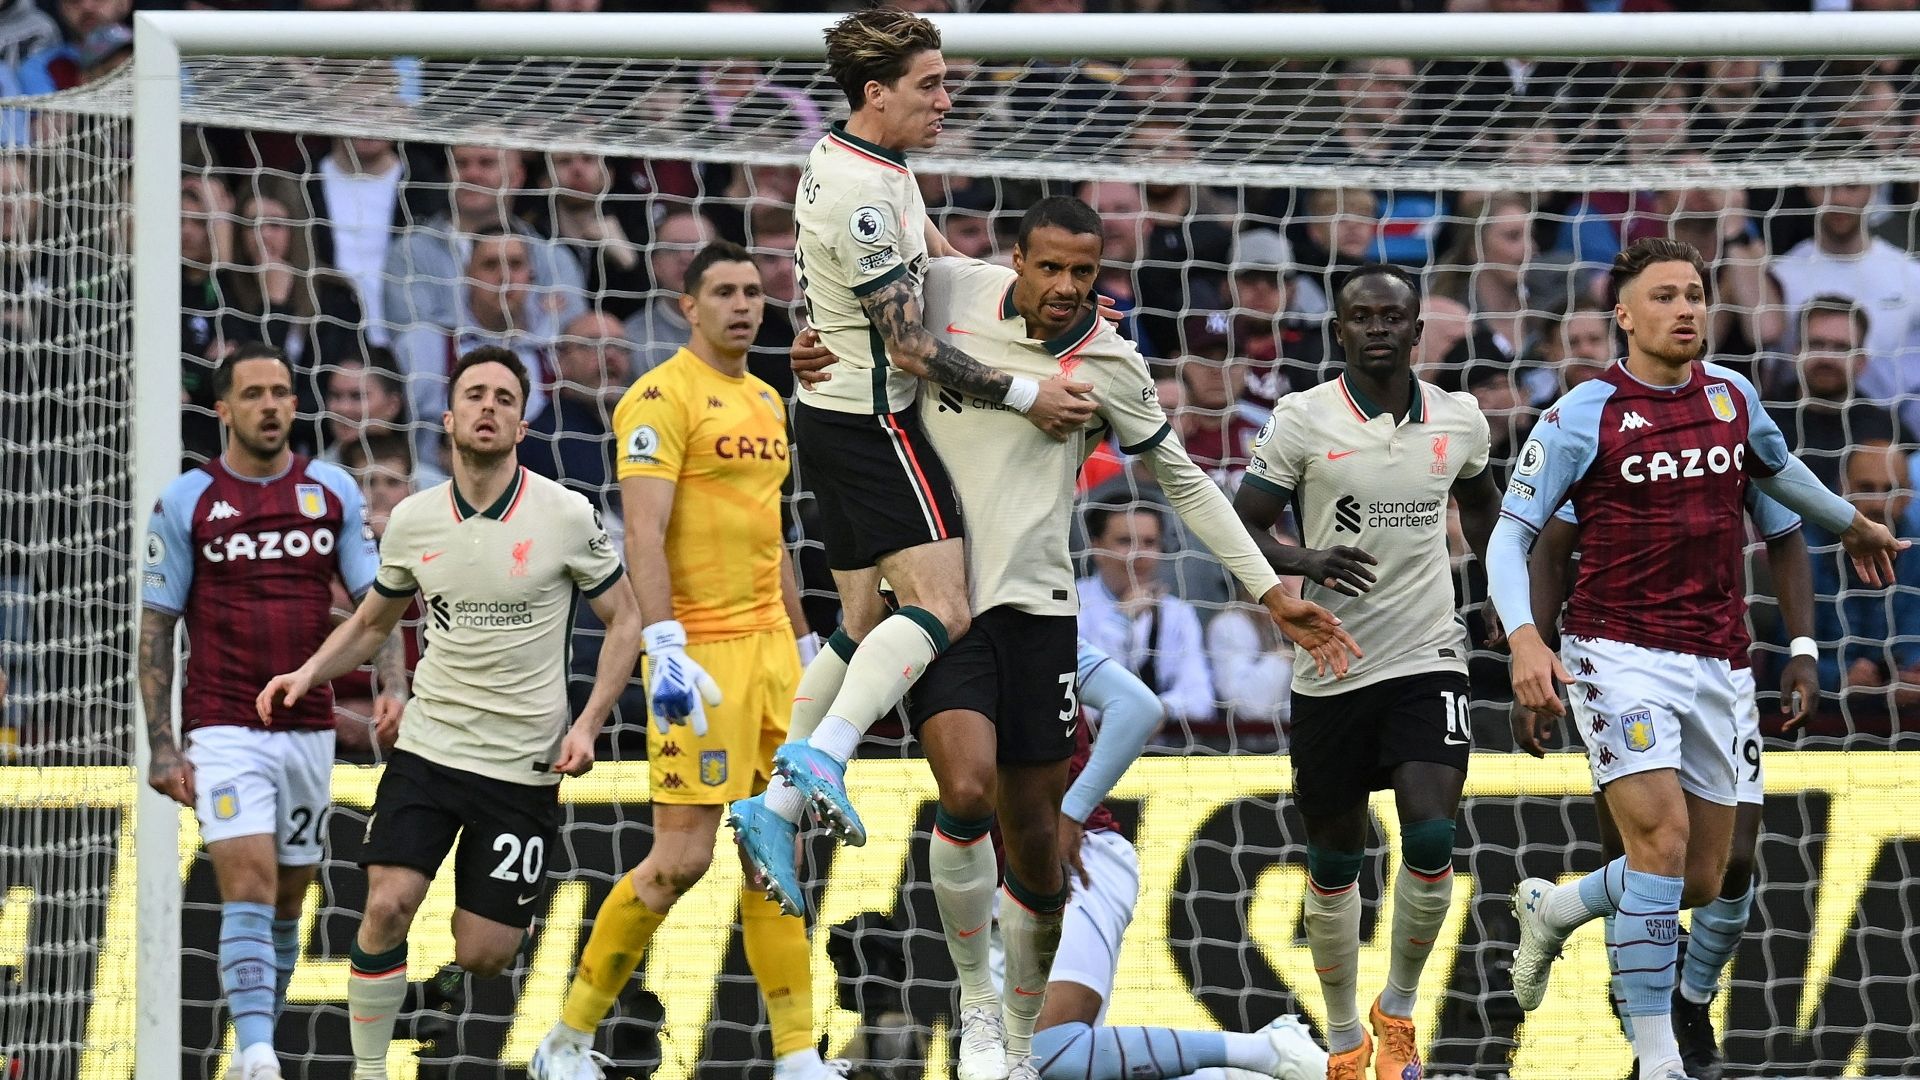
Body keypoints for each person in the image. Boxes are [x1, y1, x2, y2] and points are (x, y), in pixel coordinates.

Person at [783, 197, 1359, 1080]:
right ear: (1013, 259)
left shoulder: (1113, 362)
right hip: (948, 606)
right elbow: (847, 325)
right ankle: (981, 1011)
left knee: (1042, 857)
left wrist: (1271, 592)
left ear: (1100, 272)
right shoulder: (945, 294)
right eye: (1047, 267)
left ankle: (1015, 1038)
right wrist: (811, 356)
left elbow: (1190, 485)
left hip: (1044, 617)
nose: (1063, 286)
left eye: (1081, 272)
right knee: (964, 792)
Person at [1487, 238, 1905, 1080]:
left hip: (1717, 659)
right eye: (1667, 296)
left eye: (1696, 295)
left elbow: (1783, 484)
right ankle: (1659, 1061)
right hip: (1613, 649)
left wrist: (1851, 525)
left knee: (1707, 879)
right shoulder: (1580, 414)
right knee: (1663, 841)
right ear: (1625, 314)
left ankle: (1558, 905)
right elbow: (1513, 535)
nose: (1686, 309)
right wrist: (1525, 638)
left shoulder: (1734, 397)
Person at [730, 7, 1093, 907]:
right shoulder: (862, 195)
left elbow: (933, 259)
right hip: (872, 426)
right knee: (943, 606)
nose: (947, 96)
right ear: (876, 93)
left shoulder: (856, 160)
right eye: (929, 84)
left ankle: (774, 805)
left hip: (826, 415)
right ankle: (823, 756)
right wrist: (1026, 389)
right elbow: (909, 347)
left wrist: (1032, 304)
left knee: (859, 623)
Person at [256, 347, 644, 1080]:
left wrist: (589, 722)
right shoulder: (412, 518)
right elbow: (374, 623)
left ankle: (447, 985)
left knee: (486, 953)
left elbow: (626, 619)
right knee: (387, 904)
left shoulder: (565, 514)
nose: (489, 406)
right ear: (449, 416)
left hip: (522, 765)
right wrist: (307, 672)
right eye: (475, 394)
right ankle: (370, 1071)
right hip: (430, 749)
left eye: (504, 396)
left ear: (523, 423)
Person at [527, 242, 828, 1080]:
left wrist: (804, 645)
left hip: (772, 654)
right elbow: (642, 536)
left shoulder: (769, 399)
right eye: (724, 292)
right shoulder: (658, 397)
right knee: (682, 860)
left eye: (754, 293)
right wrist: (662, 642)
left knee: (777, 857)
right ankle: (567, 1040)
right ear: (687, 307)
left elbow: (773, 541)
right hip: (699, 659)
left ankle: (798, 1054)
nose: (743, 305)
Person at [1231, 264, 1503, 1080]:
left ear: (1419, 331)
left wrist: (1495, 588)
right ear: (1338, 331)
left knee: (1429, 835)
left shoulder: (1460, 419)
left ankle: (1400, 1011)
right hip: (1332, 663)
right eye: (1362, 316)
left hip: (1429, 657)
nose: (1378, 328)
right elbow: (1241, 529)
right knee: (1336, 862)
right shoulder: (1302, 421)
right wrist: (1305, 560)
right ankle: (1346, 1036)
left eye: (1393, 316)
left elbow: (1484, 503)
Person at [142, 343, 399, 1080]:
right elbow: (157, 626)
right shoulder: (187, 501)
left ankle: (259, 1038)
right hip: (222, 725)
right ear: (223, 410)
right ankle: (257, 1053)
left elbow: (375, 603)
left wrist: (393, 687)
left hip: (308, 729)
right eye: (252, 394)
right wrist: (163, 747)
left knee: (290, 896)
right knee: (248, 881)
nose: (269, 405)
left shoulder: (333, 493)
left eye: (281, 392)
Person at [1523, 487, 1818, 1080]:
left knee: (1725, 866)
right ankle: (1650, 1047)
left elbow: (1786, 532)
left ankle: (1684, 997)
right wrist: (1537, 648)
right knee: (1639, 851)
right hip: (1620, 664)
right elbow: (1549, 547)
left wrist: (1803, 647)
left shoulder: (1734, 410)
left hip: (1720, 666)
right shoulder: (1600, 422)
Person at [1011, 640, 1326, 1080]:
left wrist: (1070, 811)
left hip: (1074, 859)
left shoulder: (1024, 626)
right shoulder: (930, 642)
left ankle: (1264, 1051)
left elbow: (1138, 706)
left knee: (1047, 1053)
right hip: (1004, 876)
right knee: (1033, 1069)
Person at [1075, 505, 1216, 728]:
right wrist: (1122, 620)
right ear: (1096, 547)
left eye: (1149, 542)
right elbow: (1087, 701)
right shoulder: (1072, 604)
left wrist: (1157, 711)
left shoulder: (1178, 612)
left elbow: (1201, 700)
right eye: (1125, 541)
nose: (1138, 554)